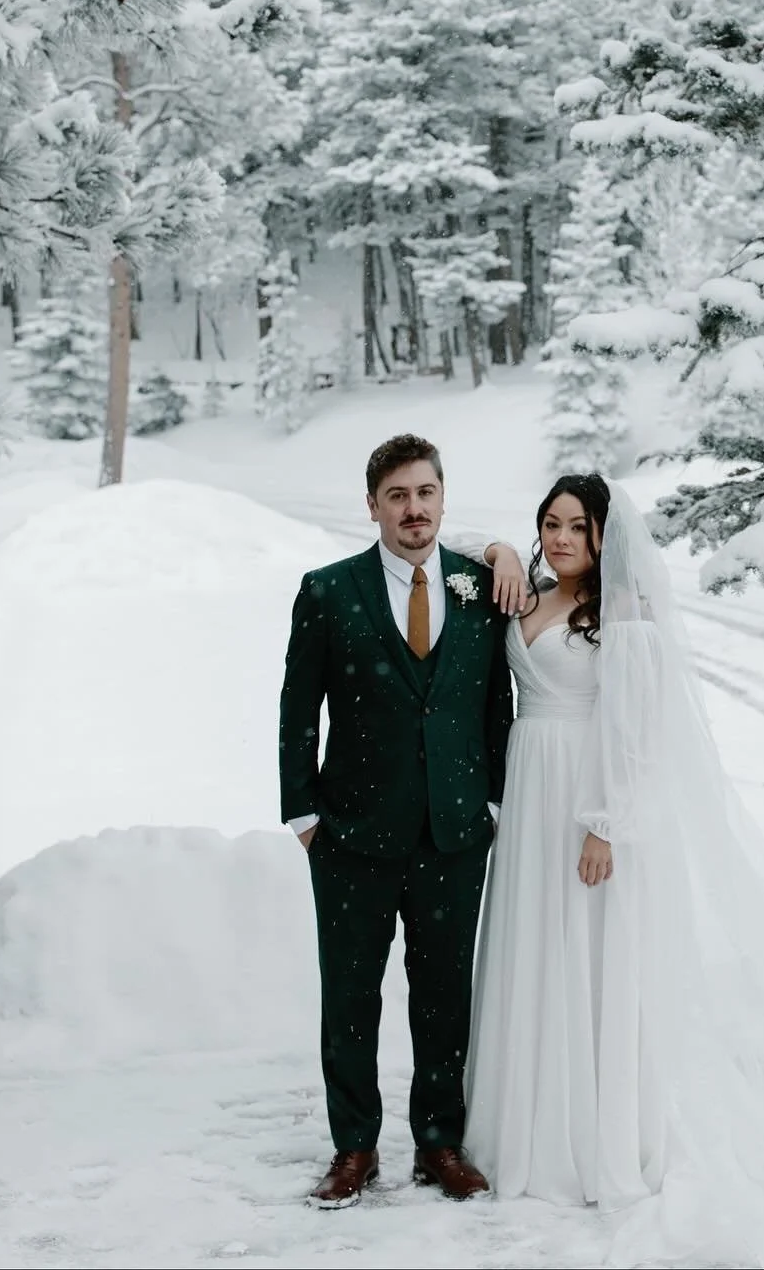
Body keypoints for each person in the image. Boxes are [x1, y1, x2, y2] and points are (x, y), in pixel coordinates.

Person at [465, 474, 764, 1257]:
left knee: (587, 959)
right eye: (547, 525)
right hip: (530, 791)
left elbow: (634, 732)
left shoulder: (628, 616)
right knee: (535, 951)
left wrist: (605, 826)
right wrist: (494, 546)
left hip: (584, 798)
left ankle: (586, 1137)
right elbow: (455, 545)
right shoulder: (529, 595)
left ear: (604, 538)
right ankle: (528, 1118)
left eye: (576, 528)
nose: (559, 539)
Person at [277, 432, 525, 1211]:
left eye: (425, 494)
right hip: (350, 837)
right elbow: (297, 710)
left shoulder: (478, 587)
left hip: (453, 836)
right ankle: (354, 1149)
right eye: (397, 497)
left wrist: (489, 804)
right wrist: (305, 817)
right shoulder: (328, 590)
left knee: (445, 995)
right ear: (374, 506)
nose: (413, 510)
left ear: (442, 498)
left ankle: (438, 1144)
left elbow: (496, 707)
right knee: (349, 997)